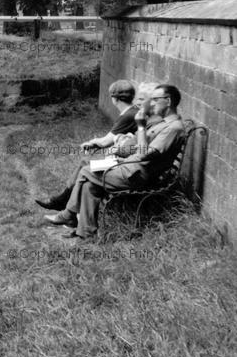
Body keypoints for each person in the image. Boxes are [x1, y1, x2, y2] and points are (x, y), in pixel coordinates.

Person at [43, 84, 185, 240]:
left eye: (155, 100)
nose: (151, 103)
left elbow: (144, 155)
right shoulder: (164, 124)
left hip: (137, 175)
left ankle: (68, 214)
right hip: (129, 168)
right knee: (89, 185)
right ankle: (86, 234)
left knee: (86, 171)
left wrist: (141, 126)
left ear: (169, 101)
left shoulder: (173, 128)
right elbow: (139, 150)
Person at [34, 80, 139, 211]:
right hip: (131, 158)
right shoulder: (134, 111)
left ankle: (63, 201)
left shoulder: (127, 116)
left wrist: (90, 143)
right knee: (86, 161)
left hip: (127, 164)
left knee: (86, 162)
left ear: (114, 98)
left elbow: (106, 141)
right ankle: (64, 200)